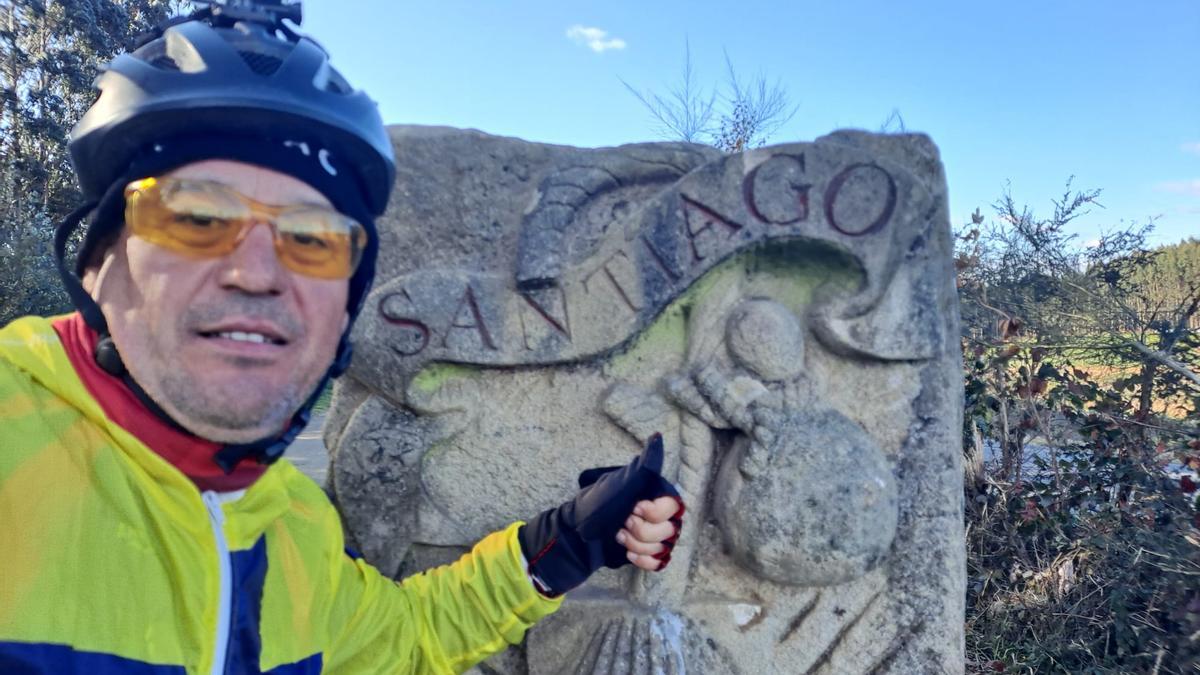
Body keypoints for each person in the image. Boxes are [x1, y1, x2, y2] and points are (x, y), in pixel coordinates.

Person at [0, 2, 684, 673]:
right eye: (197, 215)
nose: (256, 271)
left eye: (311, 238)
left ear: (344, 307)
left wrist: (570, 539)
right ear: (98, 262)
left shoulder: (291, 526)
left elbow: (410, 636)